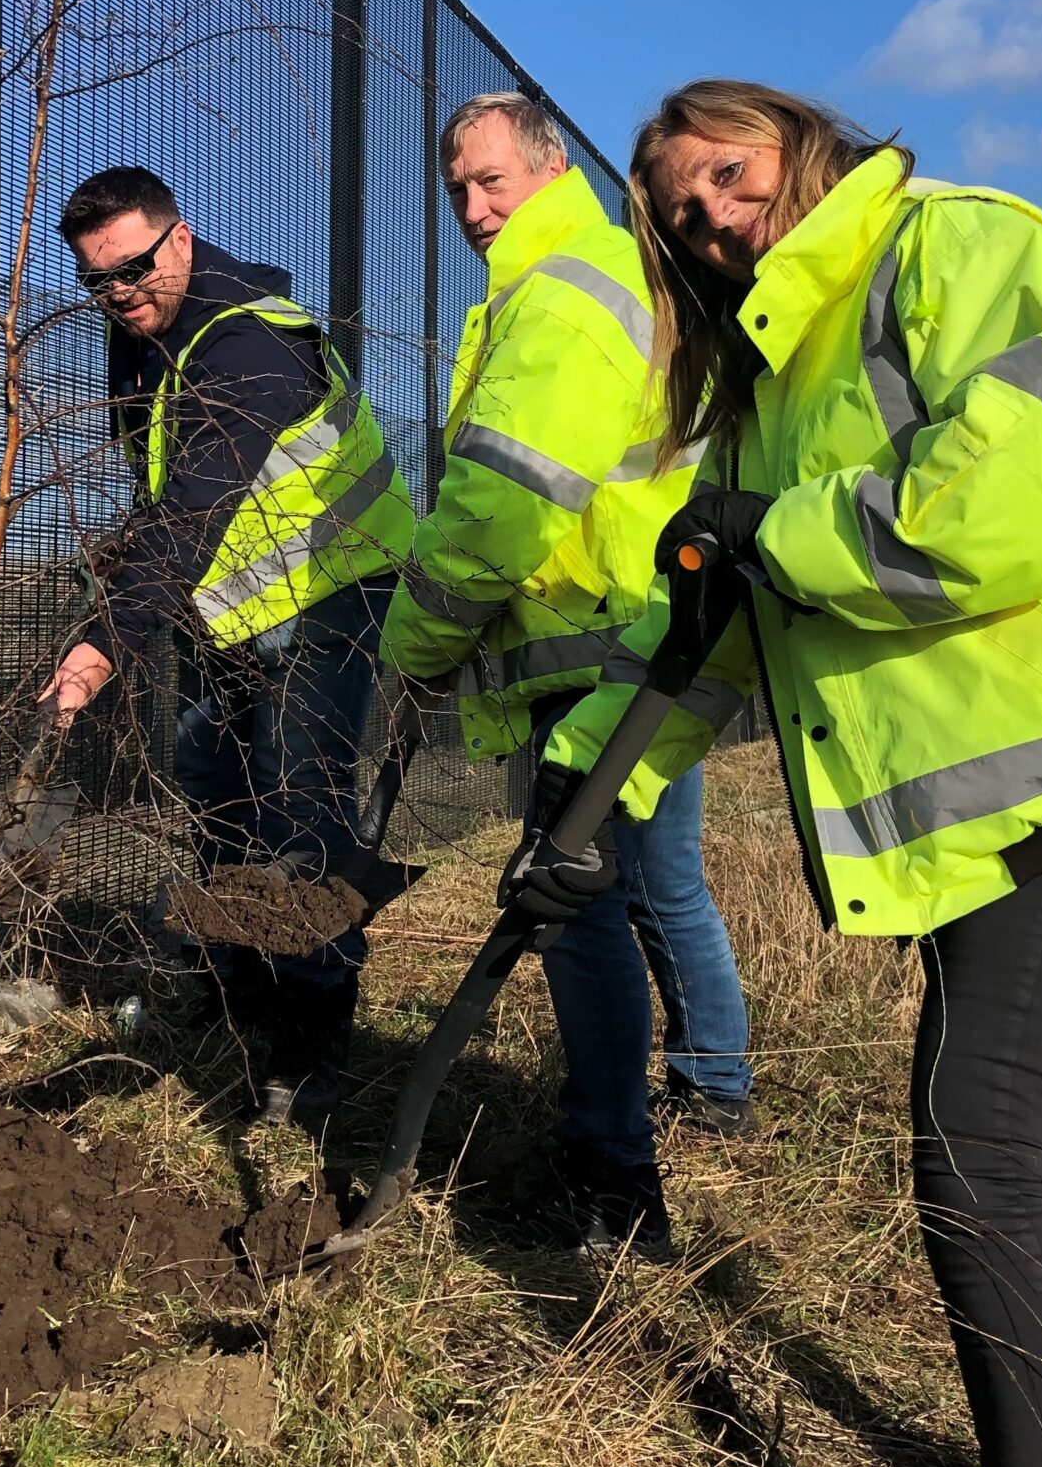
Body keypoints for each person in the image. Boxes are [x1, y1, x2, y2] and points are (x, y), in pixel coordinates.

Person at [527, 81, 1042, 1467]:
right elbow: (715, 645)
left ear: (801, 143)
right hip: (1002, 807)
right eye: (680, 208)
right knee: (1035, 1153)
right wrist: (581, 784)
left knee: (978, 1155)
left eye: (727, 170)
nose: (709, 213)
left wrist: (770, 531)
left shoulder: (951, 251)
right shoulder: (778, 381)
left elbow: (1013, 494)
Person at [378, 92, 754, 1258]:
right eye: (456, 192)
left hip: (596, 650)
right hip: (639, 634)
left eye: (492, 181)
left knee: (577, 904)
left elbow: (502, 507)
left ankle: (615, 1175)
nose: (474, 208)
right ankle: (716, 1086)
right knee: (654, 880)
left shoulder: (559, 295)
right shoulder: (591, 276)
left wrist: (415, 650)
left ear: (550, 171)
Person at [42, 166, 415, 1123]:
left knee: (297, 808)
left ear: (180, 238)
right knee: (212, 780)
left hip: (332, 590)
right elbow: (158, 497)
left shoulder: (250, 342)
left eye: (132, 269)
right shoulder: (139, 341)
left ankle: (313, 1044)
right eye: (97, 282)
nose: (120, 295)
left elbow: (193, 511)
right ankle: (235, 984)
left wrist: (105, 642)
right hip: (234, 607)